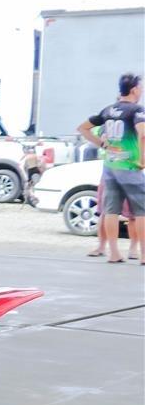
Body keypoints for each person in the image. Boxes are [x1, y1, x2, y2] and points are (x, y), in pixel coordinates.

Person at [75, 72, 142, 263]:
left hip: (111, 167)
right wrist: (142, 159)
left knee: (112, 211)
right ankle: (140, 252)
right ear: (134, 90)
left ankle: (116, 251)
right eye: (141, 88)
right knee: (138, 211)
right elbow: (143, 134)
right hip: (127, 166)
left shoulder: (109, 111)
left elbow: (82, 128)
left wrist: (103, 144)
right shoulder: (135, 111)